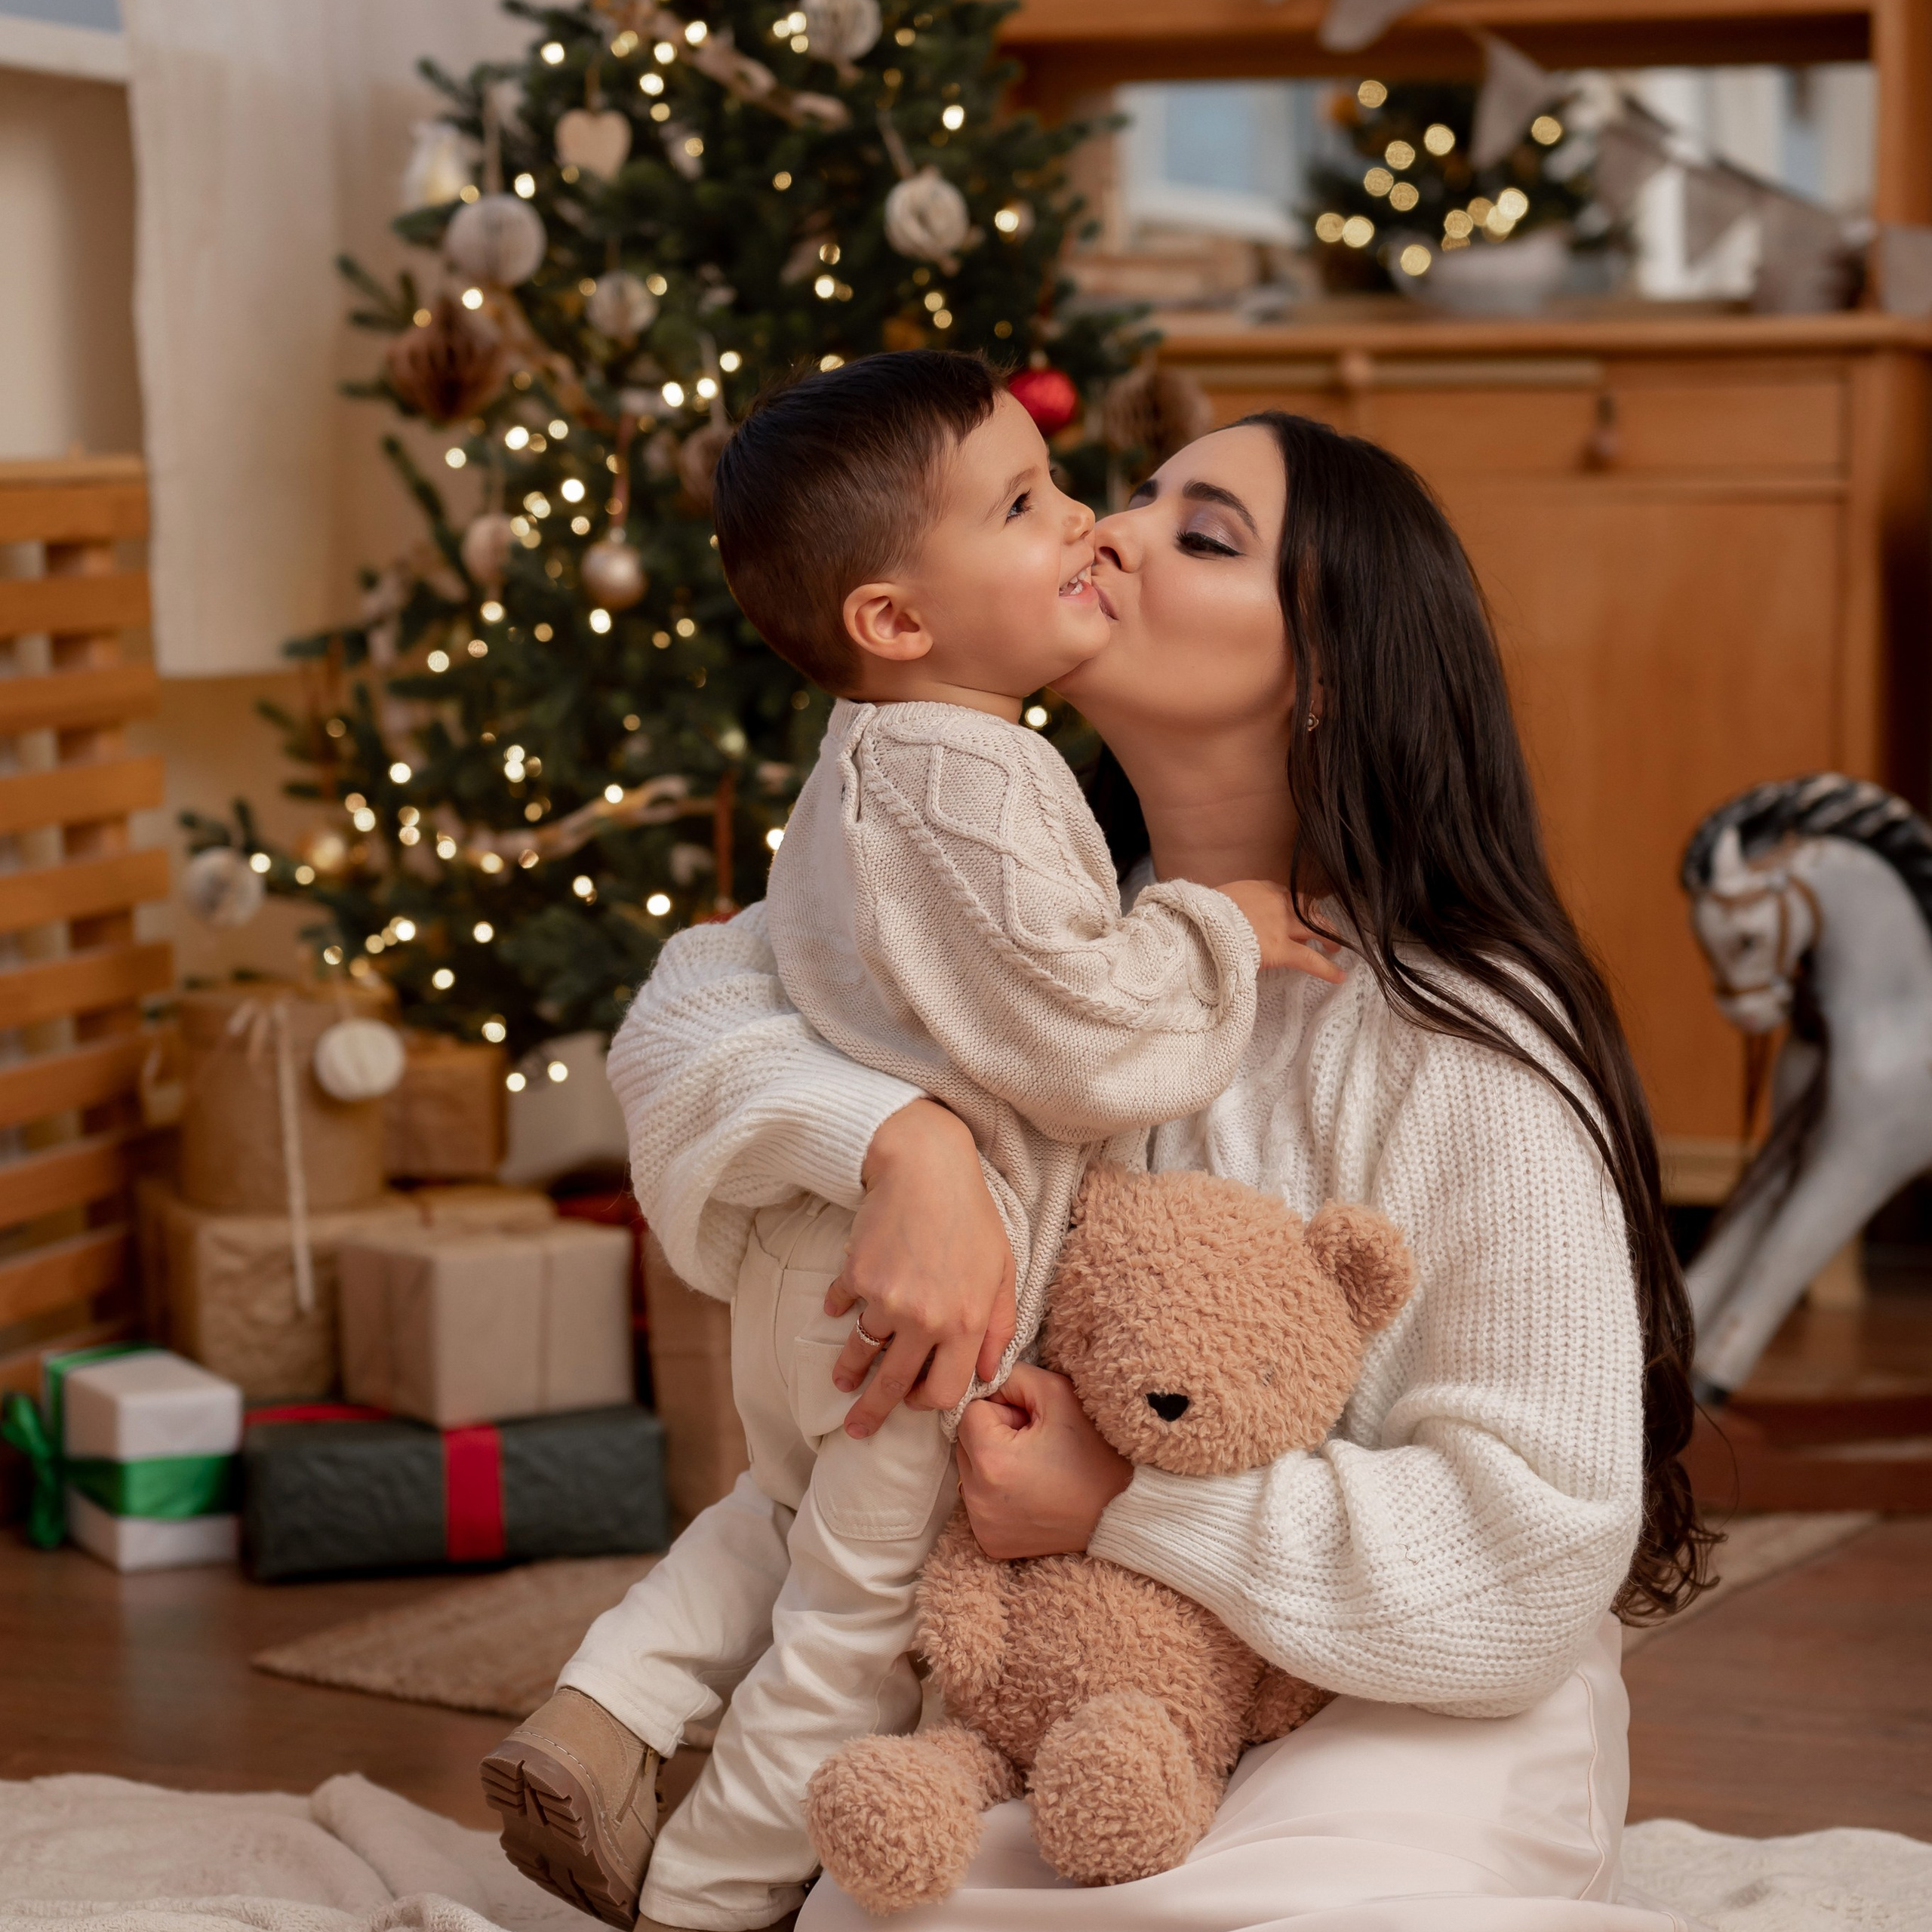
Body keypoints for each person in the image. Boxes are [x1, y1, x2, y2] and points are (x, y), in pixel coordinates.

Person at [606, 408, 1715, 1930]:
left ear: (1327, 671)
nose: (1103, 531)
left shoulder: (1461, 1041)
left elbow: (1528, 1559)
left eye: (1200, 534)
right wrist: (892, 1140)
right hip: (1046, 1662)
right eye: (1123, 494)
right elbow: (684, 1014)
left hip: (1382, 1697)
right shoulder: (1016, 916)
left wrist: (1124, 1497)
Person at [482, 352, 1338, 1932]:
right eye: (1025, 503)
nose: (1084, 522)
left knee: (771, 1516)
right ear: (894, 618)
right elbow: (1080, 1035)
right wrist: (1214, 931)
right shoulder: (964, 774)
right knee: (857, 1616)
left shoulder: (872, 763)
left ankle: (597, 1712)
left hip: (816, 1256)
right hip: (906, 1297)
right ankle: (709, 1897)